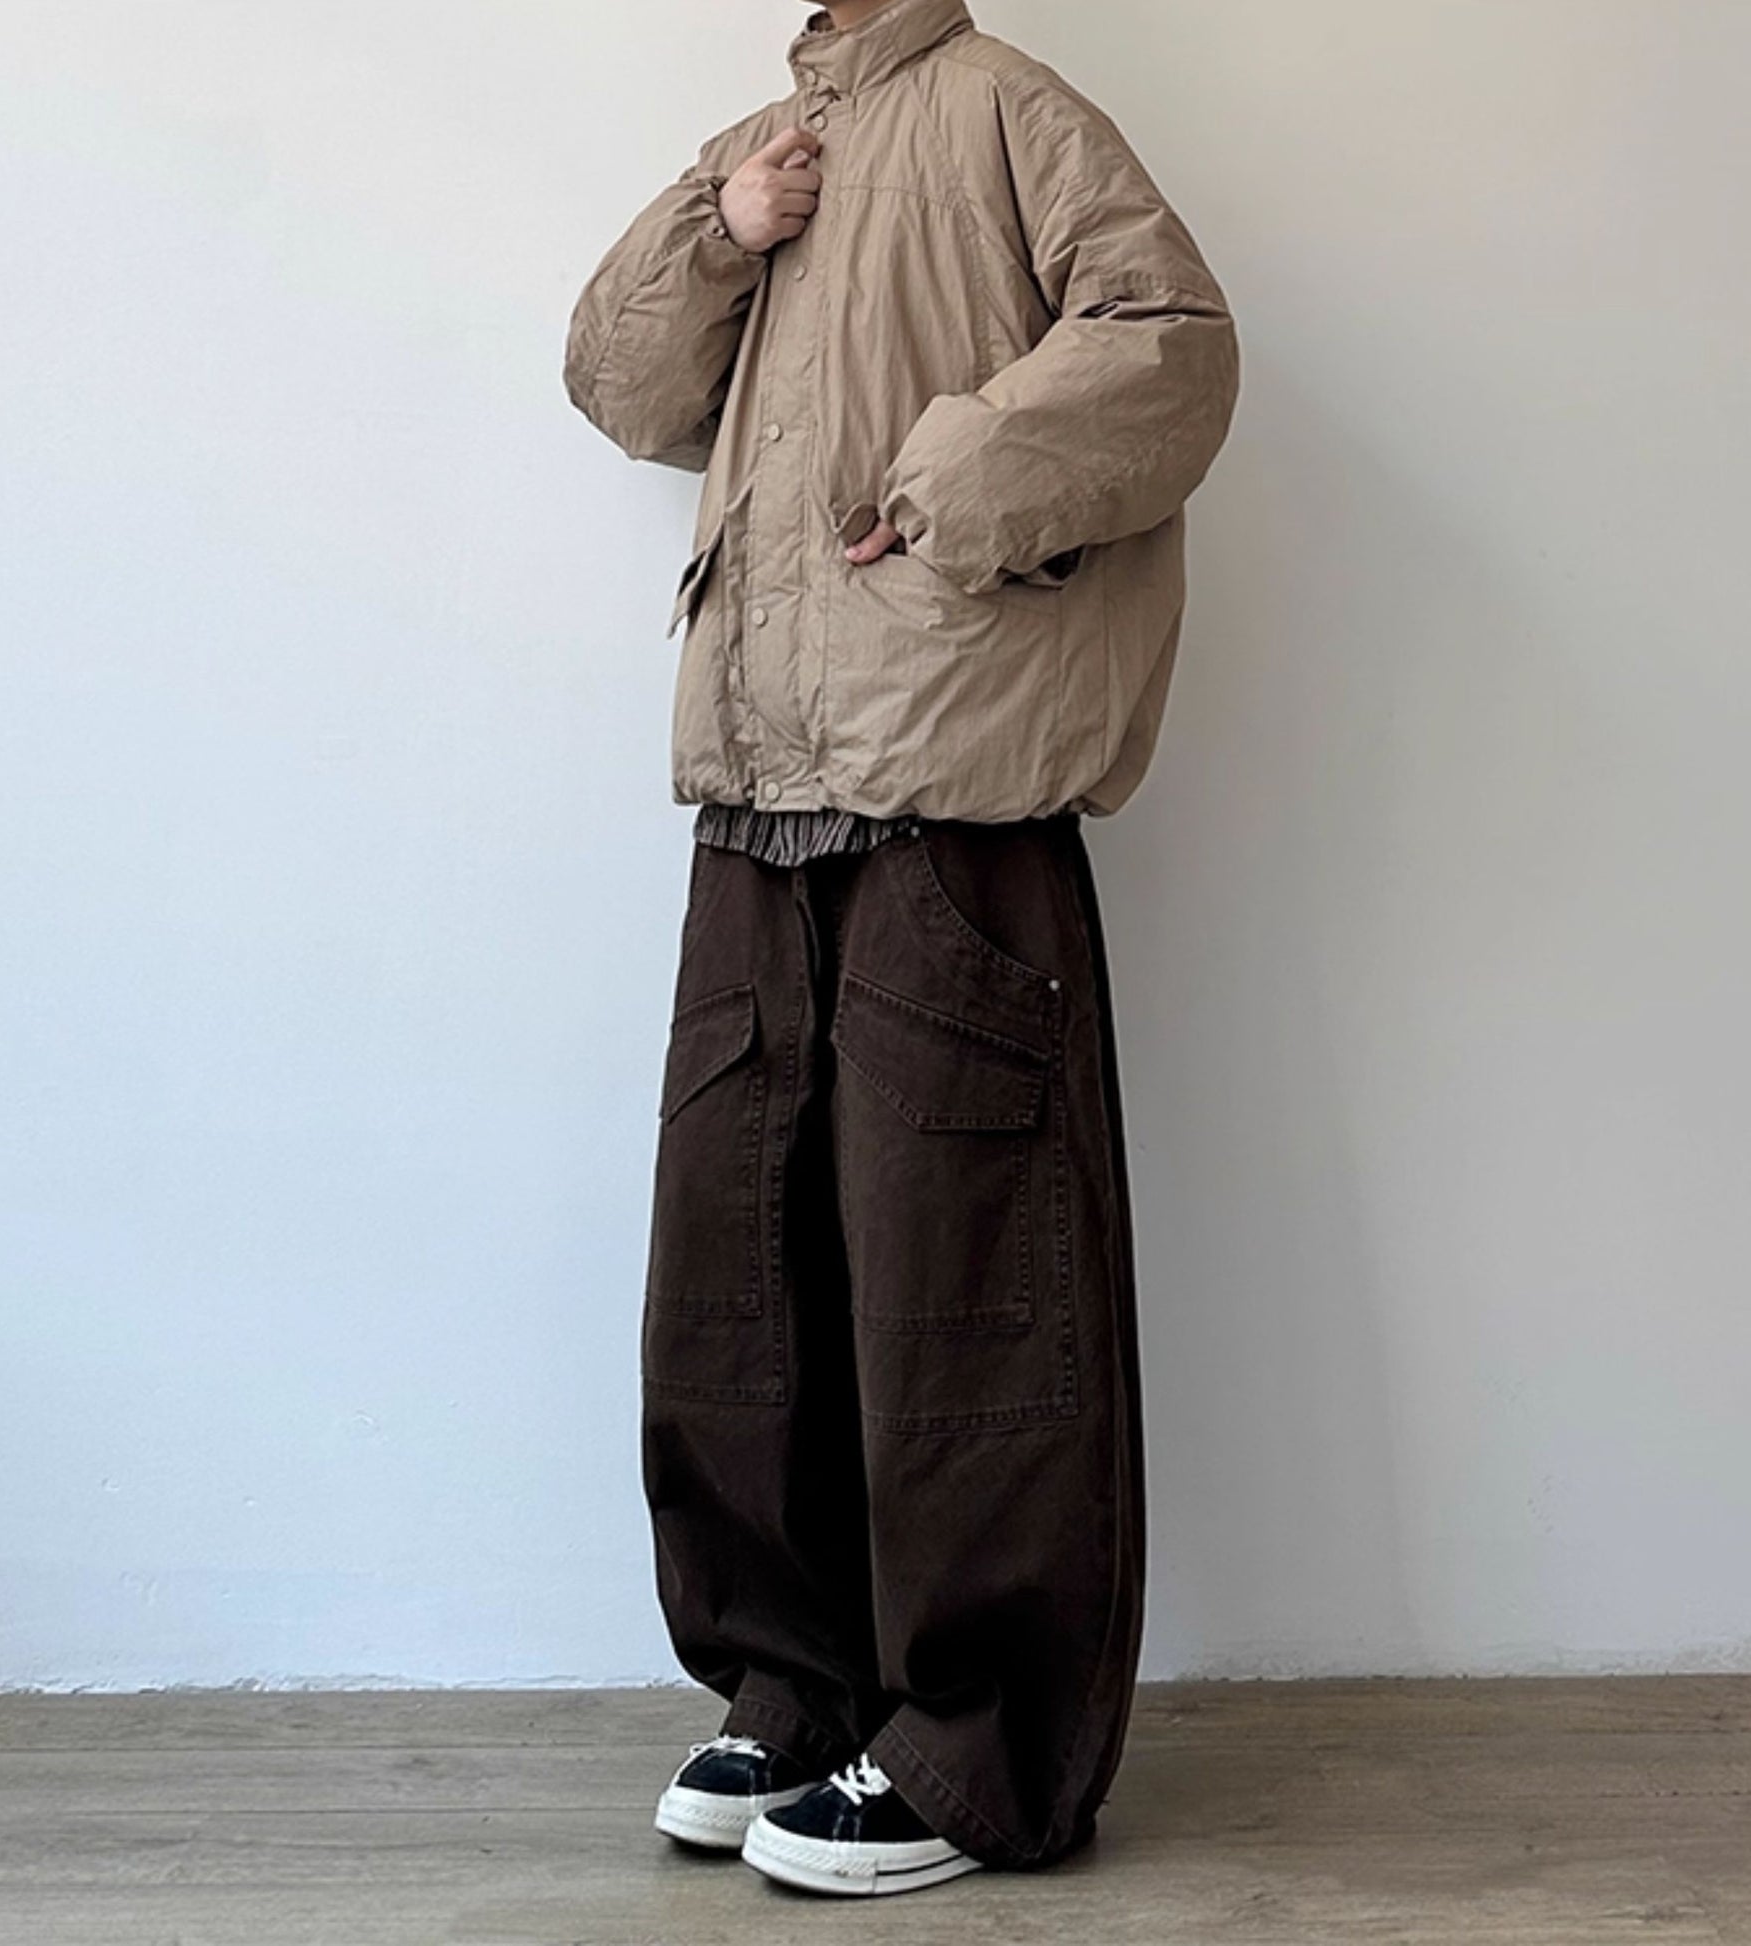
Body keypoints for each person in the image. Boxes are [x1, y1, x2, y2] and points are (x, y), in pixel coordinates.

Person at [562, 0, 1237, 1900]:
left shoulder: (1013, 109)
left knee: (968, 1285)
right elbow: (620, 390)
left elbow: (1173, 347)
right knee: (738, 1283)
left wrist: (949, 487)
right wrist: (719, 229)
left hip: (950, 779)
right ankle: (792, 1687)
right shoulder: (764, 145)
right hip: (754, 782)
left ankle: (976, 1748)